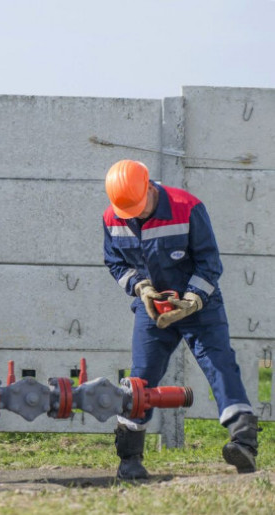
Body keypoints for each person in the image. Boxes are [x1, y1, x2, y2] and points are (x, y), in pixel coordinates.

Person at [102, 159, 259, 479]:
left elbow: (209, 262)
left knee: (219, 364)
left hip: (199, 306)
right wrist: (141, 288)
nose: (134, 216)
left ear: (149, 187)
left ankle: (243, 442)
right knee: (140, 379)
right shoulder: (112, 218)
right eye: (127, 211)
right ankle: (129, 460)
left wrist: (192, 299)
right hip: (153, 308)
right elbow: (116, 263)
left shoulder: (187, 208)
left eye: (138, 207)